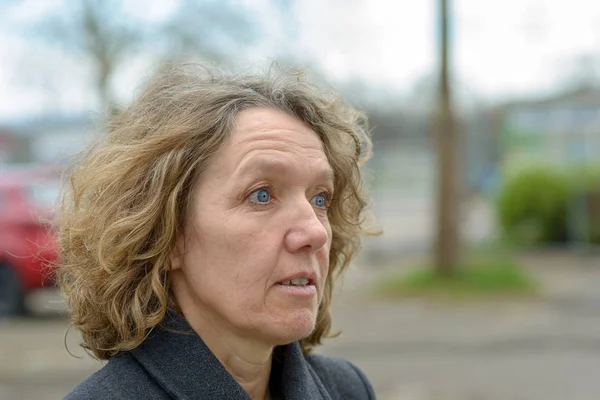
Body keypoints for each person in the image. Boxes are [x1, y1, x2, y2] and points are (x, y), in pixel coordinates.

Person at [57, 62, 377, 400]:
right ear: (166, 234)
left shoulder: (346, 389)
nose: (316, 231)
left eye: (320, 198)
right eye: (262, 195)